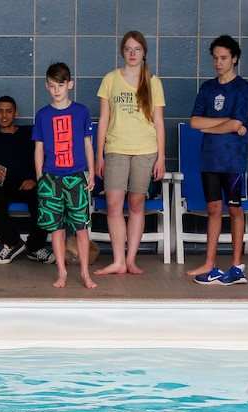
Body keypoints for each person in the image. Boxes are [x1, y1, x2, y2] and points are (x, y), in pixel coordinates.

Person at [94, 31, 166, 276]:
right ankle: (118, 261)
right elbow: (103, 120)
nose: (133, 53)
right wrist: (99, 155)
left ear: (144, 52)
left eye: (137, 49)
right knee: (114, 205)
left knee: (136, 205)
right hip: (115, 149)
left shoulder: (153, 82)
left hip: (145, 150)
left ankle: (131, 259)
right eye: (128, 49)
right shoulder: (110, 79)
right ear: (122, 52)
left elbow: (158, 122)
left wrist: (162, 158)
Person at [187, 35, 248, 286]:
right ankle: (210, 263)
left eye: (224, 58)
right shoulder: (207, 88)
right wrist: (226, 124)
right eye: (215, 58)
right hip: (209, 159)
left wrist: (213, 126)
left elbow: (238, 122)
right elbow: (195, 122)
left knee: (235, 209)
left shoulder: (243, 88)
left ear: (234, 58)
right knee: (213, 209)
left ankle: (236, 266)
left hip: (233, 160)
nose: (218, 62)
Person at [32, 63, 97, 289]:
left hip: (76, 176)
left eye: (61, 85)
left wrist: (90, 173)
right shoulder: (43, 115)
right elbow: (38, 148)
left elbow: (88, 145)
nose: (57, 90)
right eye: (52, 86)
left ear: (70, 84)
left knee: (81, 227)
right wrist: (41, 177)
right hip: (51, 178)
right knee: (56, 228)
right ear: (46, 86)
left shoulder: (81, 111)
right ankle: (62, 272)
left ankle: (86, 273)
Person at [0, 96, 54, 265]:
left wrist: (35, 179)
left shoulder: (29, 134)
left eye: (9, 111)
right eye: (0, 111)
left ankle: (35, 247)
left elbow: (46, 157)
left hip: (28, 184)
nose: (4, 115)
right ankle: (12, 242)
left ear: (15, 113)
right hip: (3, 186)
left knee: (45, 196)